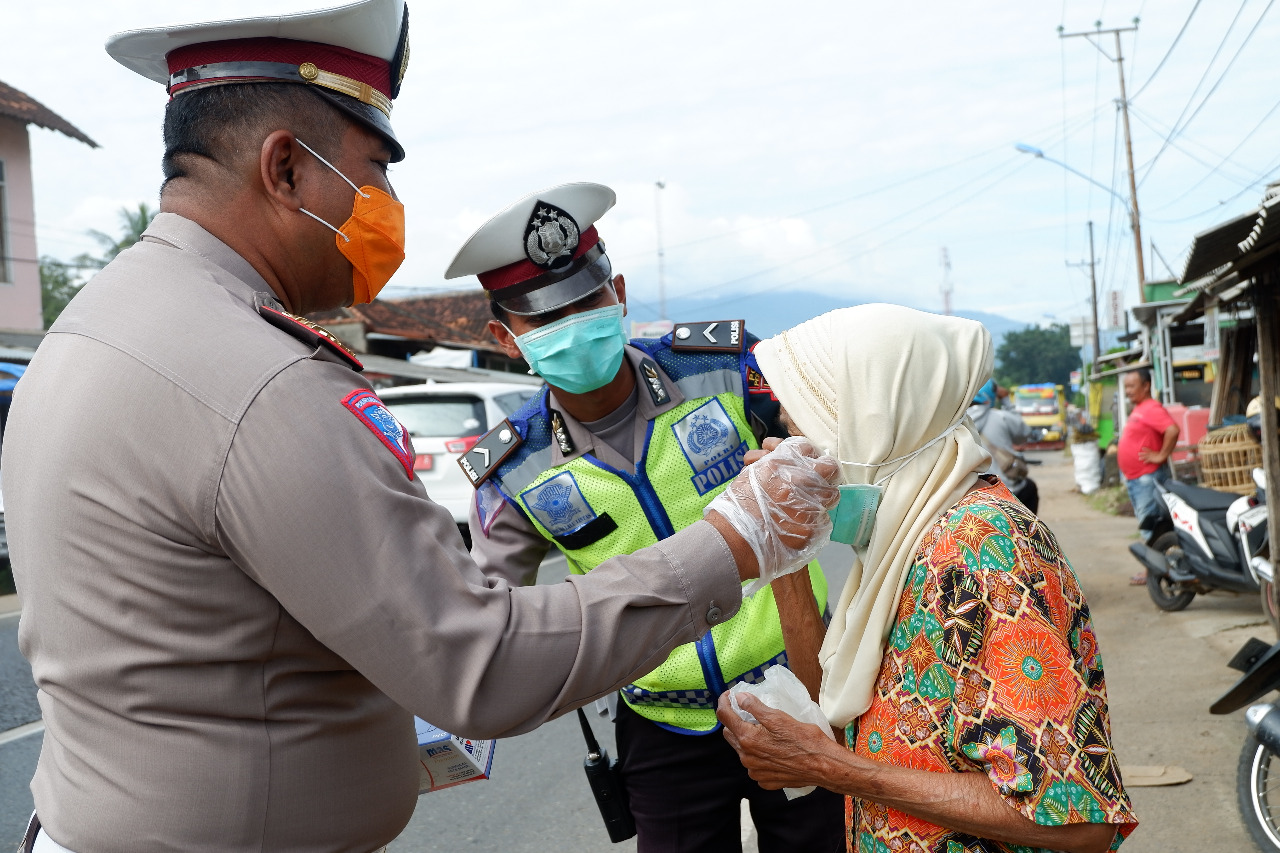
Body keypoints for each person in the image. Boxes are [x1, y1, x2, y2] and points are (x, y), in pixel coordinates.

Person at [0, 4, 841, 852]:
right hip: (662, 728)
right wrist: (734, 539)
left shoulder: (93, 328)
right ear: (285, 168)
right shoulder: (262, 378)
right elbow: (484, 659)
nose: (388, 205)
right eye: (374, 169)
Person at [444, 183, 845, 853]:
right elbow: (486, 609)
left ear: (619, 293)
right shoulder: (511, 466)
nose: (572, 324)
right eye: (544, 318)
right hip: (663, 727)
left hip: (798, 690)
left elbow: (834, 445)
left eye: (586, 300)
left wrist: (806, 457)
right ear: (504, 337)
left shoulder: (723, 370)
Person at [715, 305, 1138, 853]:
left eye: (806, 436)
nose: (794, 460)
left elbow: (1077, 822)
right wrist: (783, 554)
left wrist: (833, 769)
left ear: (877, 431)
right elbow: (840, 719)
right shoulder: (902, 538)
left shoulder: (983, 549)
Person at [1118, 368, 1179, 583]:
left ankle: (1153, 569)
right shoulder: (1140, 408)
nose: (1128, 391)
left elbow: (1172, 430)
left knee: (1151, 525)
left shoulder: (1152, 408)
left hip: (1147, 478)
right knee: (1148, 523)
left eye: (1132, 386)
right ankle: (1154, 566)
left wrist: (1161, 455)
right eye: (1126, 387)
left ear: (1146, 386)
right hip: (1137, 479)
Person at [968, 379, 1039, 513]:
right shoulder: (1001, 417)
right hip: (1007, 490)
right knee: (1030, 487)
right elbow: (1024, 433)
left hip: (973, 493)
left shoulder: (958, 423)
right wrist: (1006, 401)